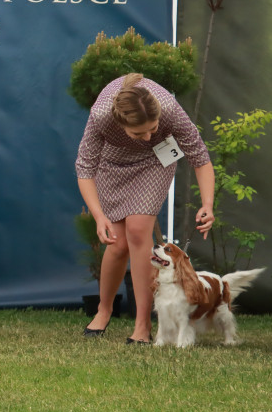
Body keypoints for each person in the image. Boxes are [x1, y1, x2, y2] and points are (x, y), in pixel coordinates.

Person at [75, 72, 214, 344]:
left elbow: (199, 155)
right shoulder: (101, 114)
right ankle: (104, 311)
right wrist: (98, 216)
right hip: (111, 165)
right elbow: (85, 167)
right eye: (139, 132)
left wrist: (207, 203)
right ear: (120, 121)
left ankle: (142, 325)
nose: (149, 135)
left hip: (154, 163)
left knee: (138, 232)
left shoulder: (169, 110)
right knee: (116, 243)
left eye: (153, 128)